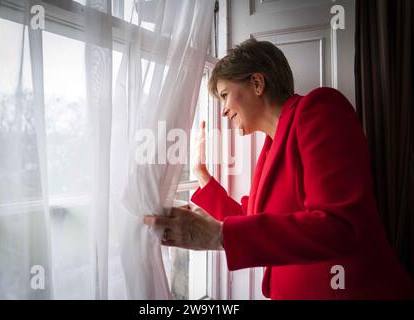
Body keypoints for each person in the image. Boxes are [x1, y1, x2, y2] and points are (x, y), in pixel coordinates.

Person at [143, 38, 414, 299]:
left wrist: (217, 236)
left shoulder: (319, 109)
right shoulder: (271, 147)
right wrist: (201, 175)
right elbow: (248, 218)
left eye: (225, 95)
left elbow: (340, 226)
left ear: (257, 83)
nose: (224, 111)